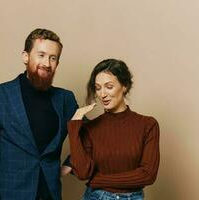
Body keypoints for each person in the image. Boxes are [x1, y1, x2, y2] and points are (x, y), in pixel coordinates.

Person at [0, 28, 78, 200]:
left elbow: (93, 136)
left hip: (50, 194)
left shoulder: (65, 99)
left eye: (53, 58)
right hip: (11, 195)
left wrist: (71, 163)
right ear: (26, 56)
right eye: (41, 55)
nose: (47, 63)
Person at [67, 59, 160, 200]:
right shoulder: (90, 129)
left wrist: (98, 180)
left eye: (109, 86)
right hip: (96, 197)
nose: (102, 94)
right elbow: (82, 173)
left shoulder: (148, 125)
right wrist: (74, 127)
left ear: (124, 86)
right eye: (98, 88)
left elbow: (148, 175)